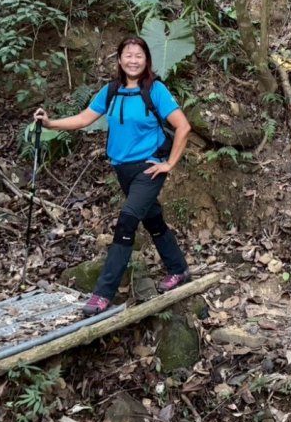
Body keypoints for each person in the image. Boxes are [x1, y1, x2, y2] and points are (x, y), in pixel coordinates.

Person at [33, 36, 193, 316]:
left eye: (138, 56)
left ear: (147, 61)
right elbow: (84, 119)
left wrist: (169, 164)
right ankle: (179, 269)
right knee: (152, 218)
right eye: (128, 55)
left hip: (149, 167)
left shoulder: (155, 90)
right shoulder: (111, 91)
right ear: (119, 60)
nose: (133, 60)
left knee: (127, 222)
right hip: (122, 169)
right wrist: (50, 123)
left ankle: (102, 294)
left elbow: (183, 126)